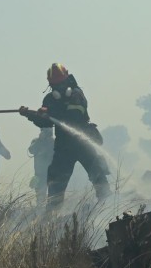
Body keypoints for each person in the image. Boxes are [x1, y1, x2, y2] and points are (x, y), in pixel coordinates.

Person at [19, 63, 111, 210]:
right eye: (54, 85)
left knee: (97, 173)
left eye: (60, 84)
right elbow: (46, 124)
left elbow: (73, 116)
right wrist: (31, 115)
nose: (58, 88)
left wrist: (50, 114)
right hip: (63, 146)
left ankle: (108, 205)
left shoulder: (76, 94)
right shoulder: (50, 99)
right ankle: (52, 214)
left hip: (83, 142)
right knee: (55, 181)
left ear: (67, 80)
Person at [27, 127, 55, 206]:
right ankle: (40, 214)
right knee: (40, 199)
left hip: (52, 175)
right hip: (40, 175)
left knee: (53, 198)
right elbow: (31, 150)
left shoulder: (54, 142)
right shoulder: (36, 141)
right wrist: (40, 140)